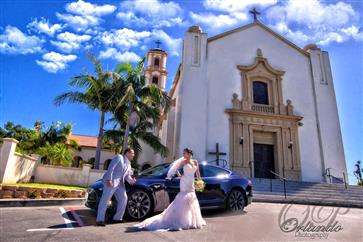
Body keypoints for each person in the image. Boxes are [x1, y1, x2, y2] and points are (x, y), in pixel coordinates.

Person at [133, 148, 206, 231]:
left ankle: (192, 220)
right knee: (183, 198)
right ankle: (181, 220)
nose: (183, 155)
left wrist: (200, 181)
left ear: (189, 153)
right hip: (184, 182)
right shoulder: (183, 162)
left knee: (192, 199)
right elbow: (176, 169)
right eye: (183, 153)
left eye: (185, 153)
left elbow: (198, 173)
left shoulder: (195, 161)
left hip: (191, 182)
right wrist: (180, 176)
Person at [96, 148, 136, 226]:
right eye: (132, 153)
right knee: (105, 199)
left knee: (124, 198)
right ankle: (100, 220)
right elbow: (111, 168)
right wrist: (109, 179)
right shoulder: (119, 157)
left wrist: (131, 180)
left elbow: (127, 176)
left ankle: (117, 218)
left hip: (120, 184)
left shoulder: (129, 165)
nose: (133, 155)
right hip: (111, 182)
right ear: (127, 153)